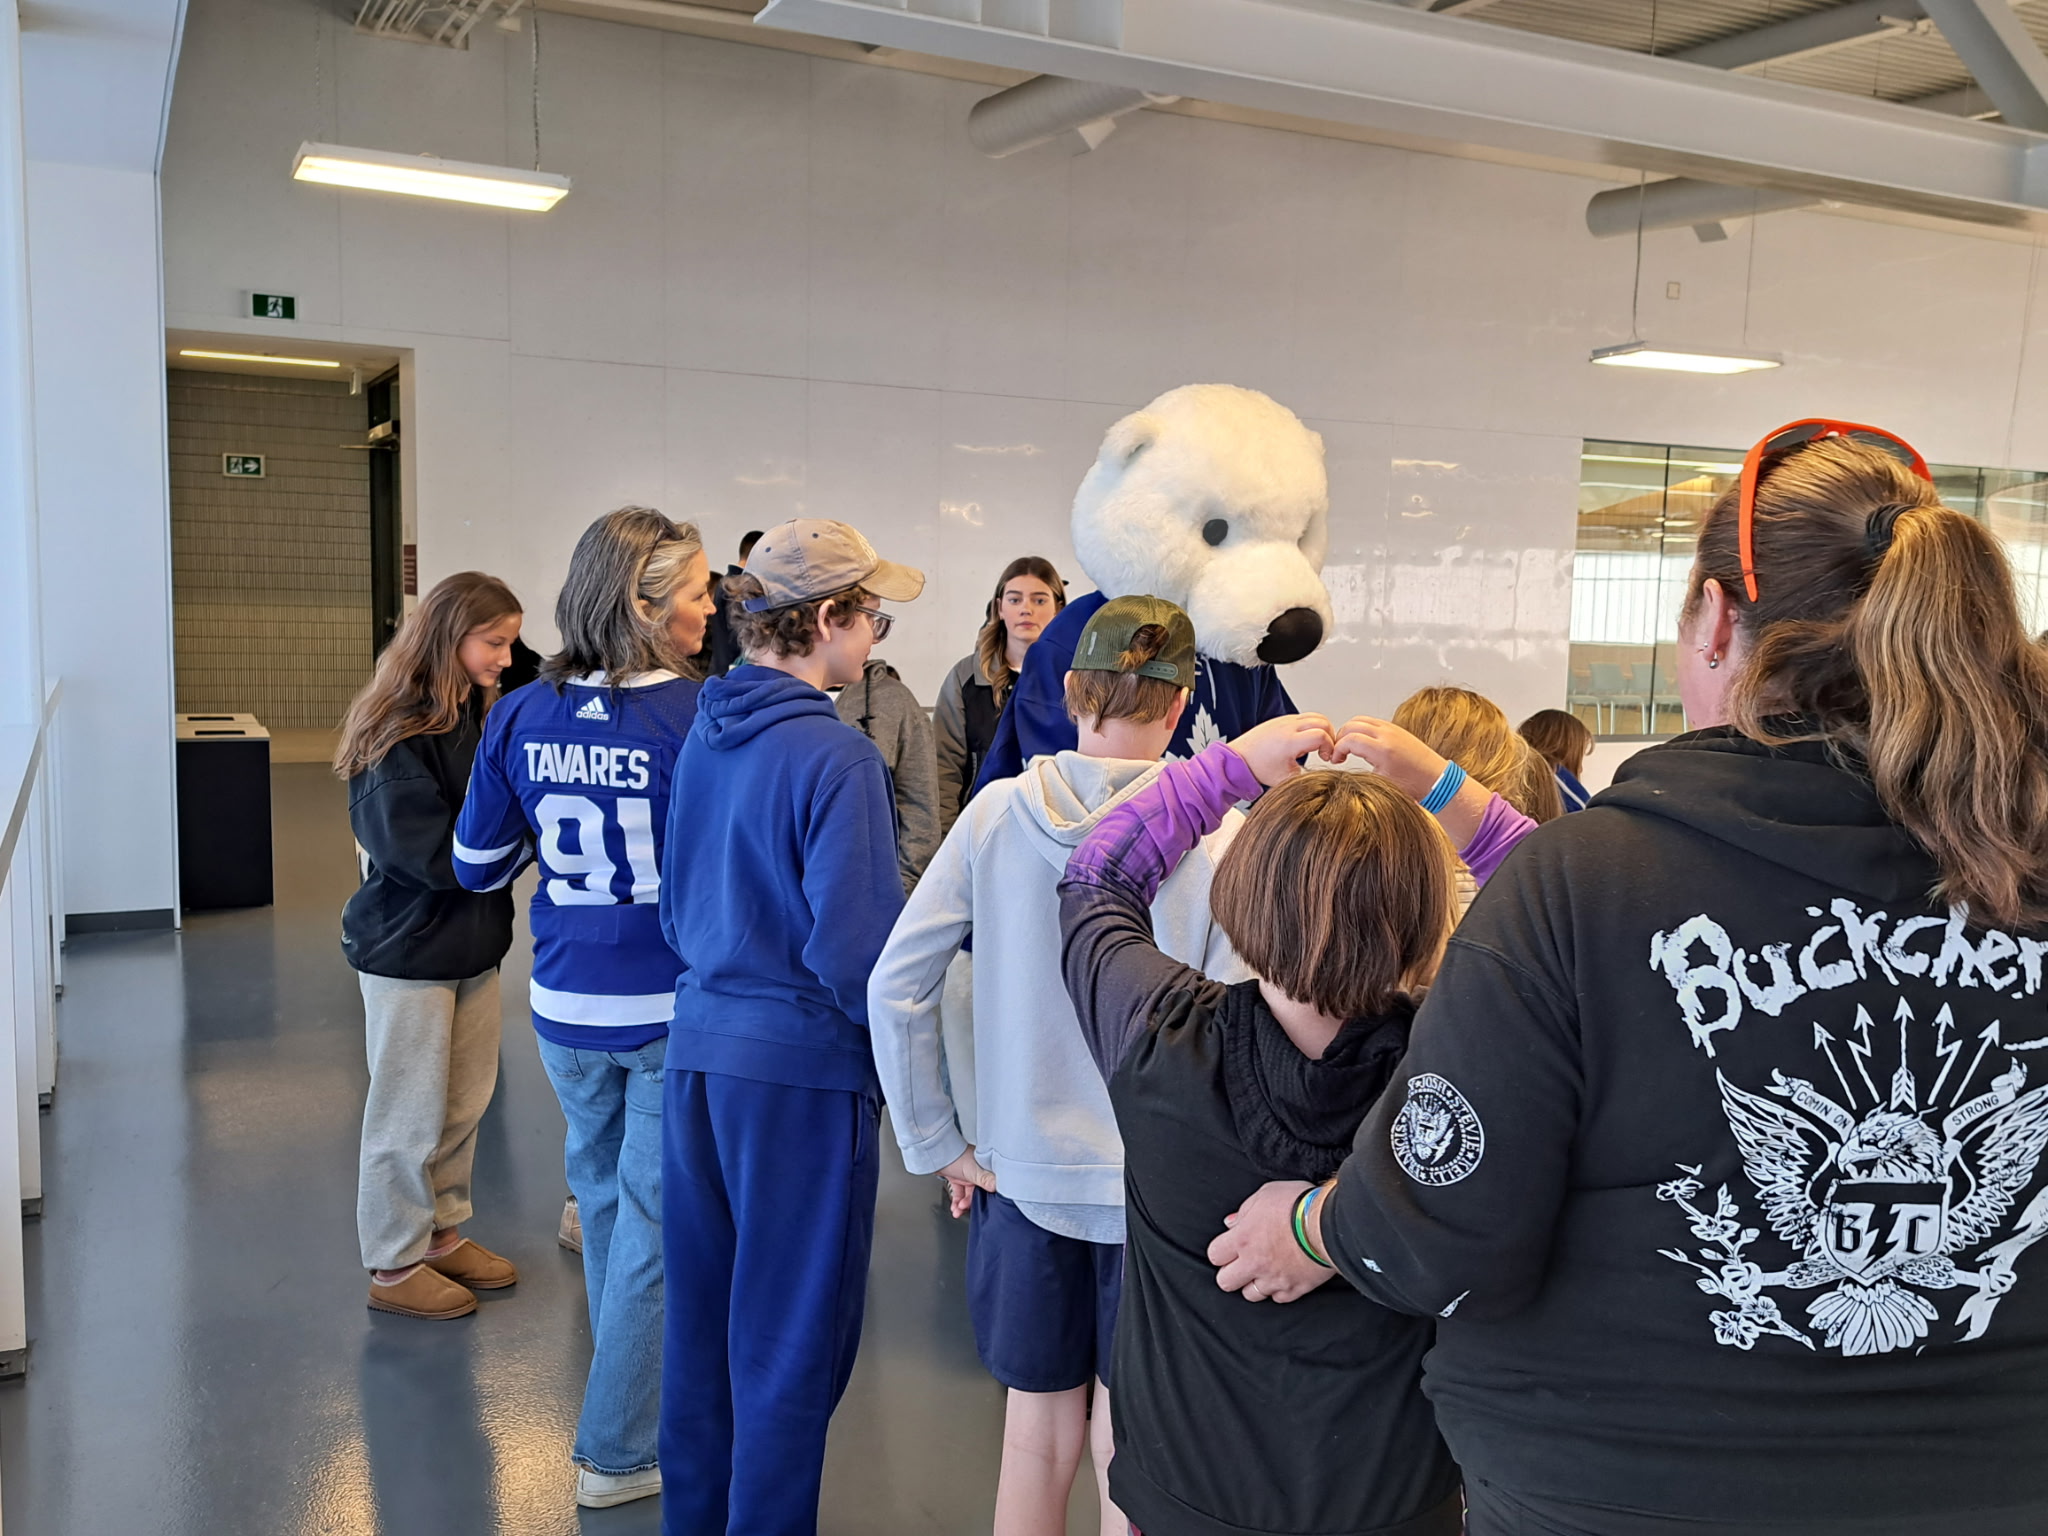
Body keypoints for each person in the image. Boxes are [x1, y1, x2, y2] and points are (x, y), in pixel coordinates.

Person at [1208, 422, 2048, 1535]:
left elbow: (1441, 1236)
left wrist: (1318, 1226)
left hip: (1625, 1489)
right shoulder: (2023, 864)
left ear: (1713, 619)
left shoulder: (1585, 883)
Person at [1055, 706, 1548, 1536]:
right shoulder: (1457, 1069)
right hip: (1392, 1502)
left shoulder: (1153, 1036)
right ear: (1426, 919)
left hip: (1186, 1496)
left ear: (1242, 894)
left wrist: (1228, 770)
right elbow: (1569, 914)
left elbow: (1097, 877)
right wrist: (1442, 787)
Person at [870, 596, 1247, 1536]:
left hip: (1021, 1180)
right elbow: (1239, 1027)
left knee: (1033, 1437)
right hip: (1154, 1197)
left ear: (1073, 689)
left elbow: (897, 983)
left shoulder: (996, 816)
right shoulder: (1221, 835)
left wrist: (940, 1142)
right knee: (1133, 1448)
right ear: (1183, 702)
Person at [657, 517, 924, 1536]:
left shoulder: (705, 732)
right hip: (800, 1079)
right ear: (825, 620)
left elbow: (678, 904)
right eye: (872, 618)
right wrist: (921, 1085)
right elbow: (855, 954)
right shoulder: (838, 758)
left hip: (697, 1057)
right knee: (788, 1346)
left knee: (703, 1331)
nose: (875, 639)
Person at [452, 506, 716, 1510]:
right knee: (650, 1224)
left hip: (563, 1003)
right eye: (696, 592)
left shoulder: (520, 712)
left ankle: (627, 1389)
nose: (709, 609)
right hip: (665, 1009)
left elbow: (477, 865)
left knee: (605, 1202)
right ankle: (616, 1449)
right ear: (646, 607)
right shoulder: (700, 715)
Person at [336, 571, 524, 1323]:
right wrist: (515, 843)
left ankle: (440, 1234)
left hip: (473, 943)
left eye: (510, 644)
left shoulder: (477, 712)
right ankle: (393, 1262)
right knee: (406, 1112)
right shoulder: (392, 731)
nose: (505, 659)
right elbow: (425, 853)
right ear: (449, 637)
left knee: (461, 1103)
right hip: (408, 950)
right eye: (494, 643)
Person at [934, 556, 1066, 836]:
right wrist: (947, 842)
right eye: (1015, 600)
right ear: (1000, 608)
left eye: (1039, 600)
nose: (1026, 609)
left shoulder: (1074, 679)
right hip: (982, 830)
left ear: (1058, 608)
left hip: (1054, 831)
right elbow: (944, 769)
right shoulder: (966, 677)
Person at [835, 656, 941, 892]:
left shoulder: (894, 700)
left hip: (872, 892)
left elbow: (919, 805)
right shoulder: (773, 701)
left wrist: (901, 890)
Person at [704, 528, 763, 677]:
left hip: (722, 667)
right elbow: (741, 636)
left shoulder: (725, 584)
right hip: (731, 670)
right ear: (757, 554)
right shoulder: (736, 589)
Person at [1518, 706, 1594, 812]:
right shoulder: (1556, 778)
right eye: (1579, 758)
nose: (1580, 769)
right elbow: (1589, 813)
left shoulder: (1512, 776)